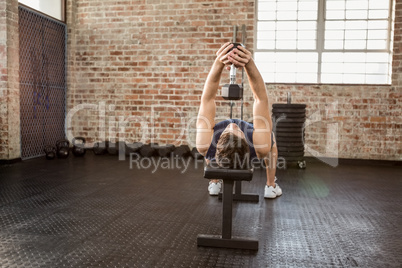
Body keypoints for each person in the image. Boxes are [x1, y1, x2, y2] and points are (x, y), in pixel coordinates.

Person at [196, 42, 282, 199]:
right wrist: (249, 63)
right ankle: (271, 186)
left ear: (219, 141)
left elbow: (207, 99)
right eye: (237, 131)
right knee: (271, 141)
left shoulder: (207, 144)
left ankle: (214, 182)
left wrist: (219, 62)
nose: (232, 125)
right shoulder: (258, 146)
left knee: (204, 146)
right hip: (251, 143)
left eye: (228, 130)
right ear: (246, 142)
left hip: (214, 145)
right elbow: (261, 99)